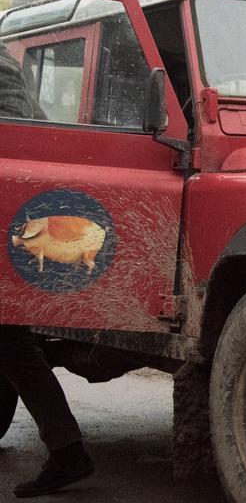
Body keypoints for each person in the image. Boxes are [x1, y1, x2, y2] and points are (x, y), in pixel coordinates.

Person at [0, 44, 94, 497]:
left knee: (11, 342)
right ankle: (67, 451)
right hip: (17, 210)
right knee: (11, 341)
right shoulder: (11, 70)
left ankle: (68, 451)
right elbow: (37, 125)